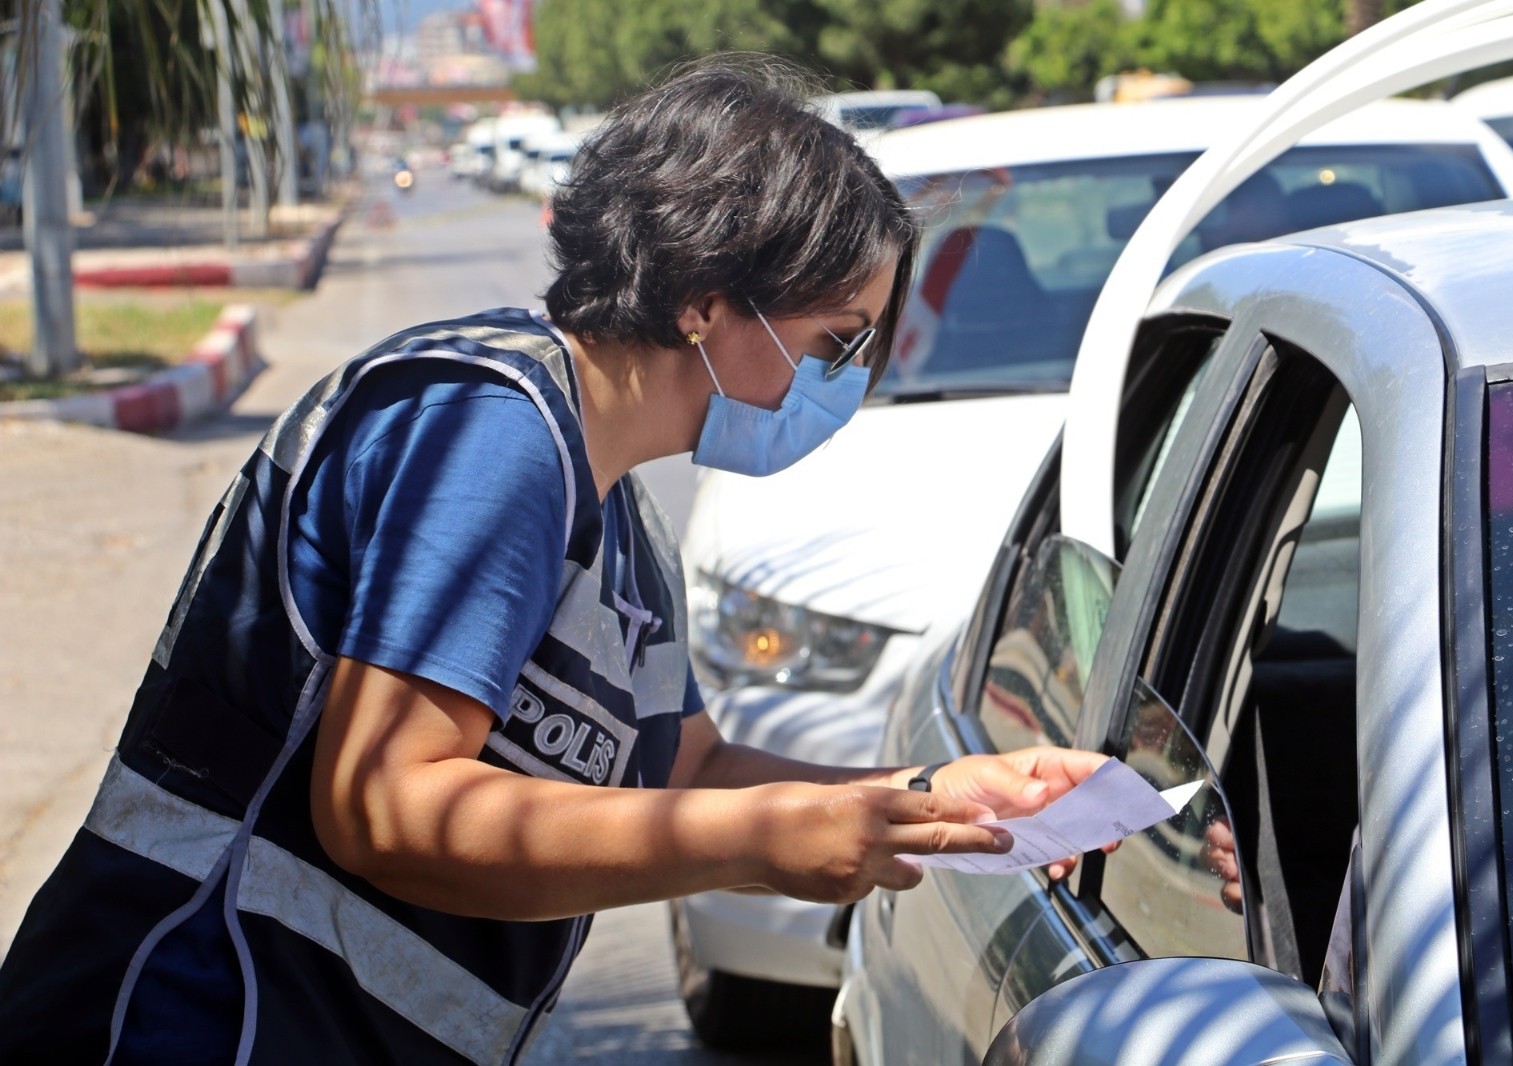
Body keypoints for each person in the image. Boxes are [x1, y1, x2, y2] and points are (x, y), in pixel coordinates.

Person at [0, 57, 1108, 1064]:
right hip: (192, 1019)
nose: (849, 382)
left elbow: (687, 772)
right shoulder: (490, 436)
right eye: (837, 340)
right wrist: (761, 844)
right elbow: (384, 806)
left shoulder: (628, 529)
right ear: (705, 298)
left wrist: (931, 801)